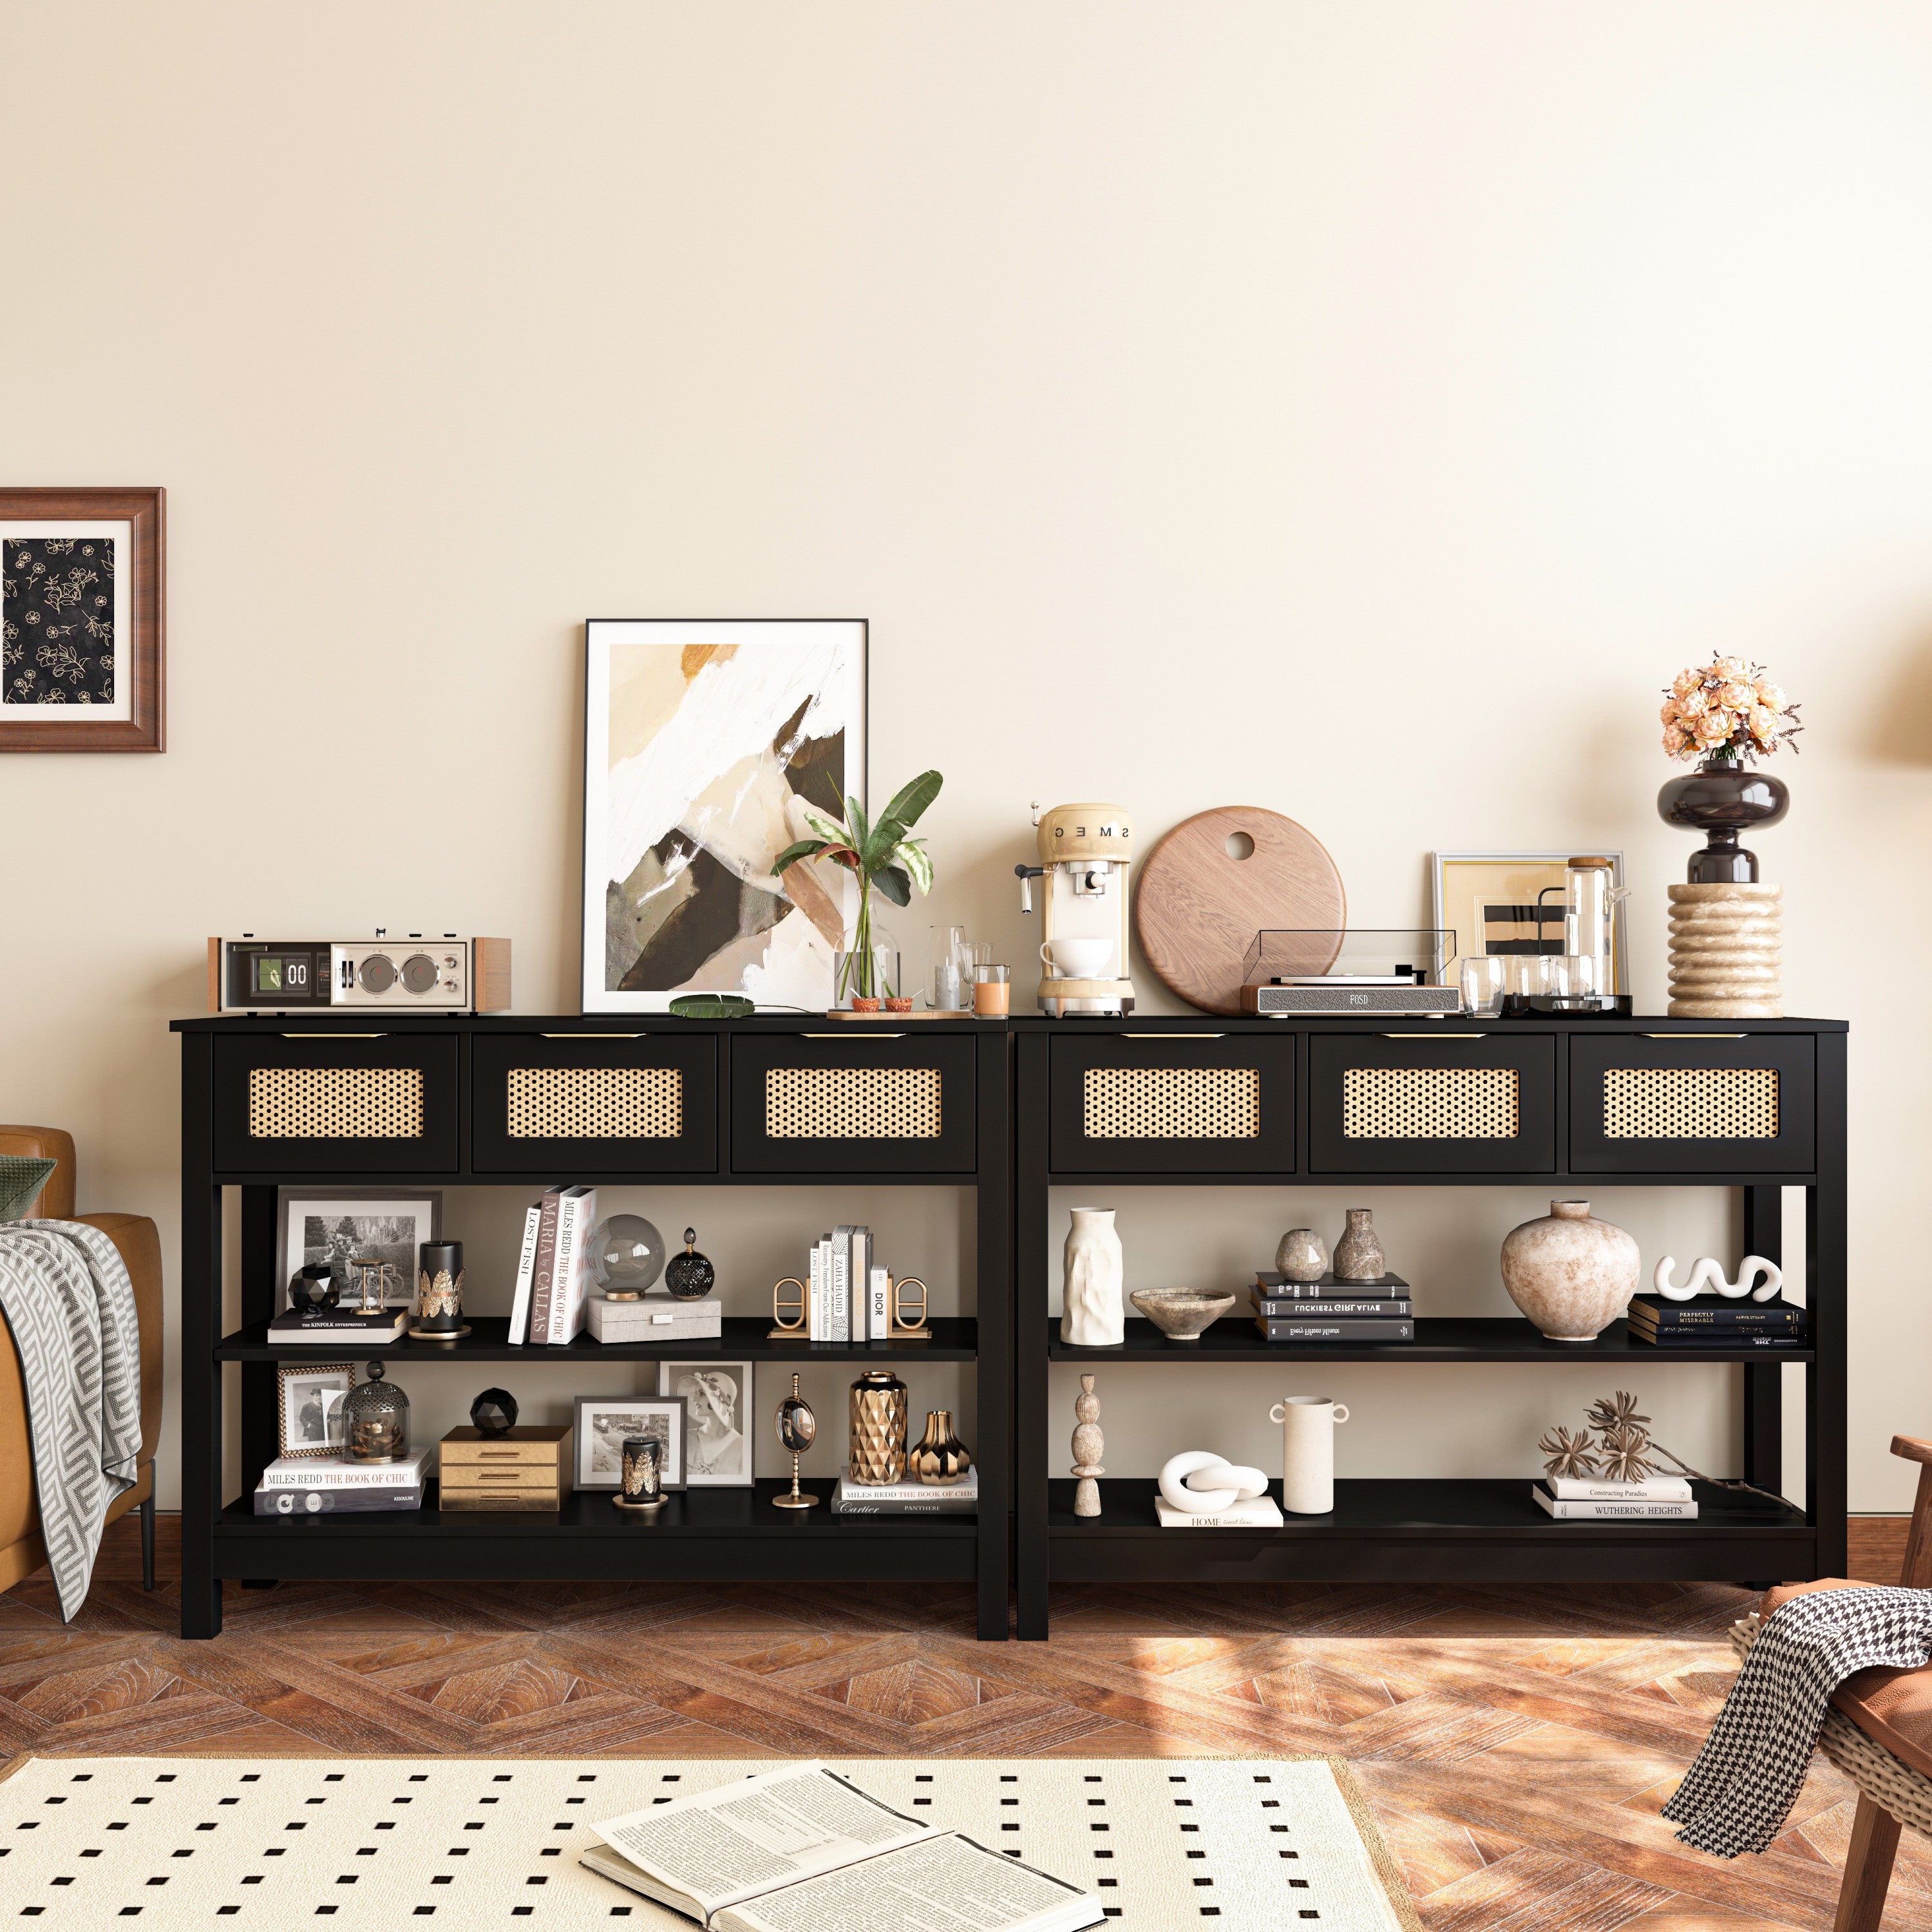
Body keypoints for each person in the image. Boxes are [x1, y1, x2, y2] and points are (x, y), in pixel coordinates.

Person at [677, 1370, 743, 1477]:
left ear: (720, 1399)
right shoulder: (688, 1437)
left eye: (702, 1393)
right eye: (696, 1394)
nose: (694, 1398)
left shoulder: (742, 1445)